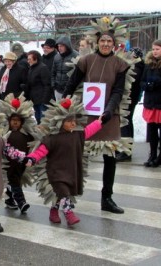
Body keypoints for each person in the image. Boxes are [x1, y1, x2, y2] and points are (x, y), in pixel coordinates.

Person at [63, 24, 130, 214]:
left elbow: (118, 91)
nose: (106, 44)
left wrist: (108, 111)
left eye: (109, 41)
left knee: (110, 158)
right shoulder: (86, 61)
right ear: (97, 42)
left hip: (108, 117)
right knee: (77, 156)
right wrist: (63, 105)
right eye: (103, 41)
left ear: (114, 43)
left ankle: (106, 198)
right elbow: (72, 83)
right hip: (87, 116)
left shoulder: (120, 64)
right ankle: (68, 196)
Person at [26, 100, 103, 225]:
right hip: (56, 172)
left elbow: (89, 130)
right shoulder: (52, 138)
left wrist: (99, 122)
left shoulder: (78, 135)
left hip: (71, 170)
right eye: (69, 121)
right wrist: (32, 158)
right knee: (63, 192)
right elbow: (41, 151)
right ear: (60, 123)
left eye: (74, 121)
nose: (73, 123)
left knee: (60, 195)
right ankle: (68, 213)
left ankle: (54, 211)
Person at [116, 47, 145, 162]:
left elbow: (131, 80)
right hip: (128, 98)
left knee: (125, 123)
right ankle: (124, 148)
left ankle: (126, 151)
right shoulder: (136, 66)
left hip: (129, 98)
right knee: (125, 123)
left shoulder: (137, 67)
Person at [140, 39, 161, 167]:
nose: (155, 52)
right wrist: (147, 85)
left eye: (157, 49)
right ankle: (152, 154)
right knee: (152, 132)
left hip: (160, 103)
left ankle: (159, 157)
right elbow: (142, 82)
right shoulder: (148, 64)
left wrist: (156, 83)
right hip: (150, 102)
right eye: (153, 49)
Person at [25, 50, 52, 124]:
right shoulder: (31, 68)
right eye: (28, 59)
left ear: (35, 59)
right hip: (35, 99)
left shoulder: (43, 68)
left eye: (29, 59)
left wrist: (45, 100)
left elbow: (47, 85)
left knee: (43, 120)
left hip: (42, 99)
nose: (28, 61)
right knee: (37, 118)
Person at [52, 36, 79, 101]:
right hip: (58, 90)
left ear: (67, 46)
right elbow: (53, 72)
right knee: (59, 109)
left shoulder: (76, 56)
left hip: (70, 91)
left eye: (61, 46)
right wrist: (53, 85)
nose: (59, 48)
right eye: (58, 46)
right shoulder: (56, 57)